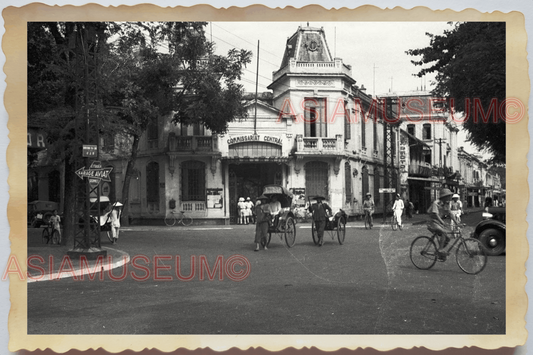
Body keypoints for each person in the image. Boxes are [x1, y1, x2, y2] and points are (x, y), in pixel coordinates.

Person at [427, 188, 459, 261]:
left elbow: (450, 214)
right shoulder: (436, 203)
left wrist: (457, 223)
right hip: (432, 222)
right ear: (444, 197)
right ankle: (440, 250)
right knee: (444, 232)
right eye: (449, 196)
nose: (450, 198)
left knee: (447, 238)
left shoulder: (446, 203)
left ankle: (439, 252)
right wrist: (442, 222)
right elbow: (436, 215)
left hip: (438, 223)